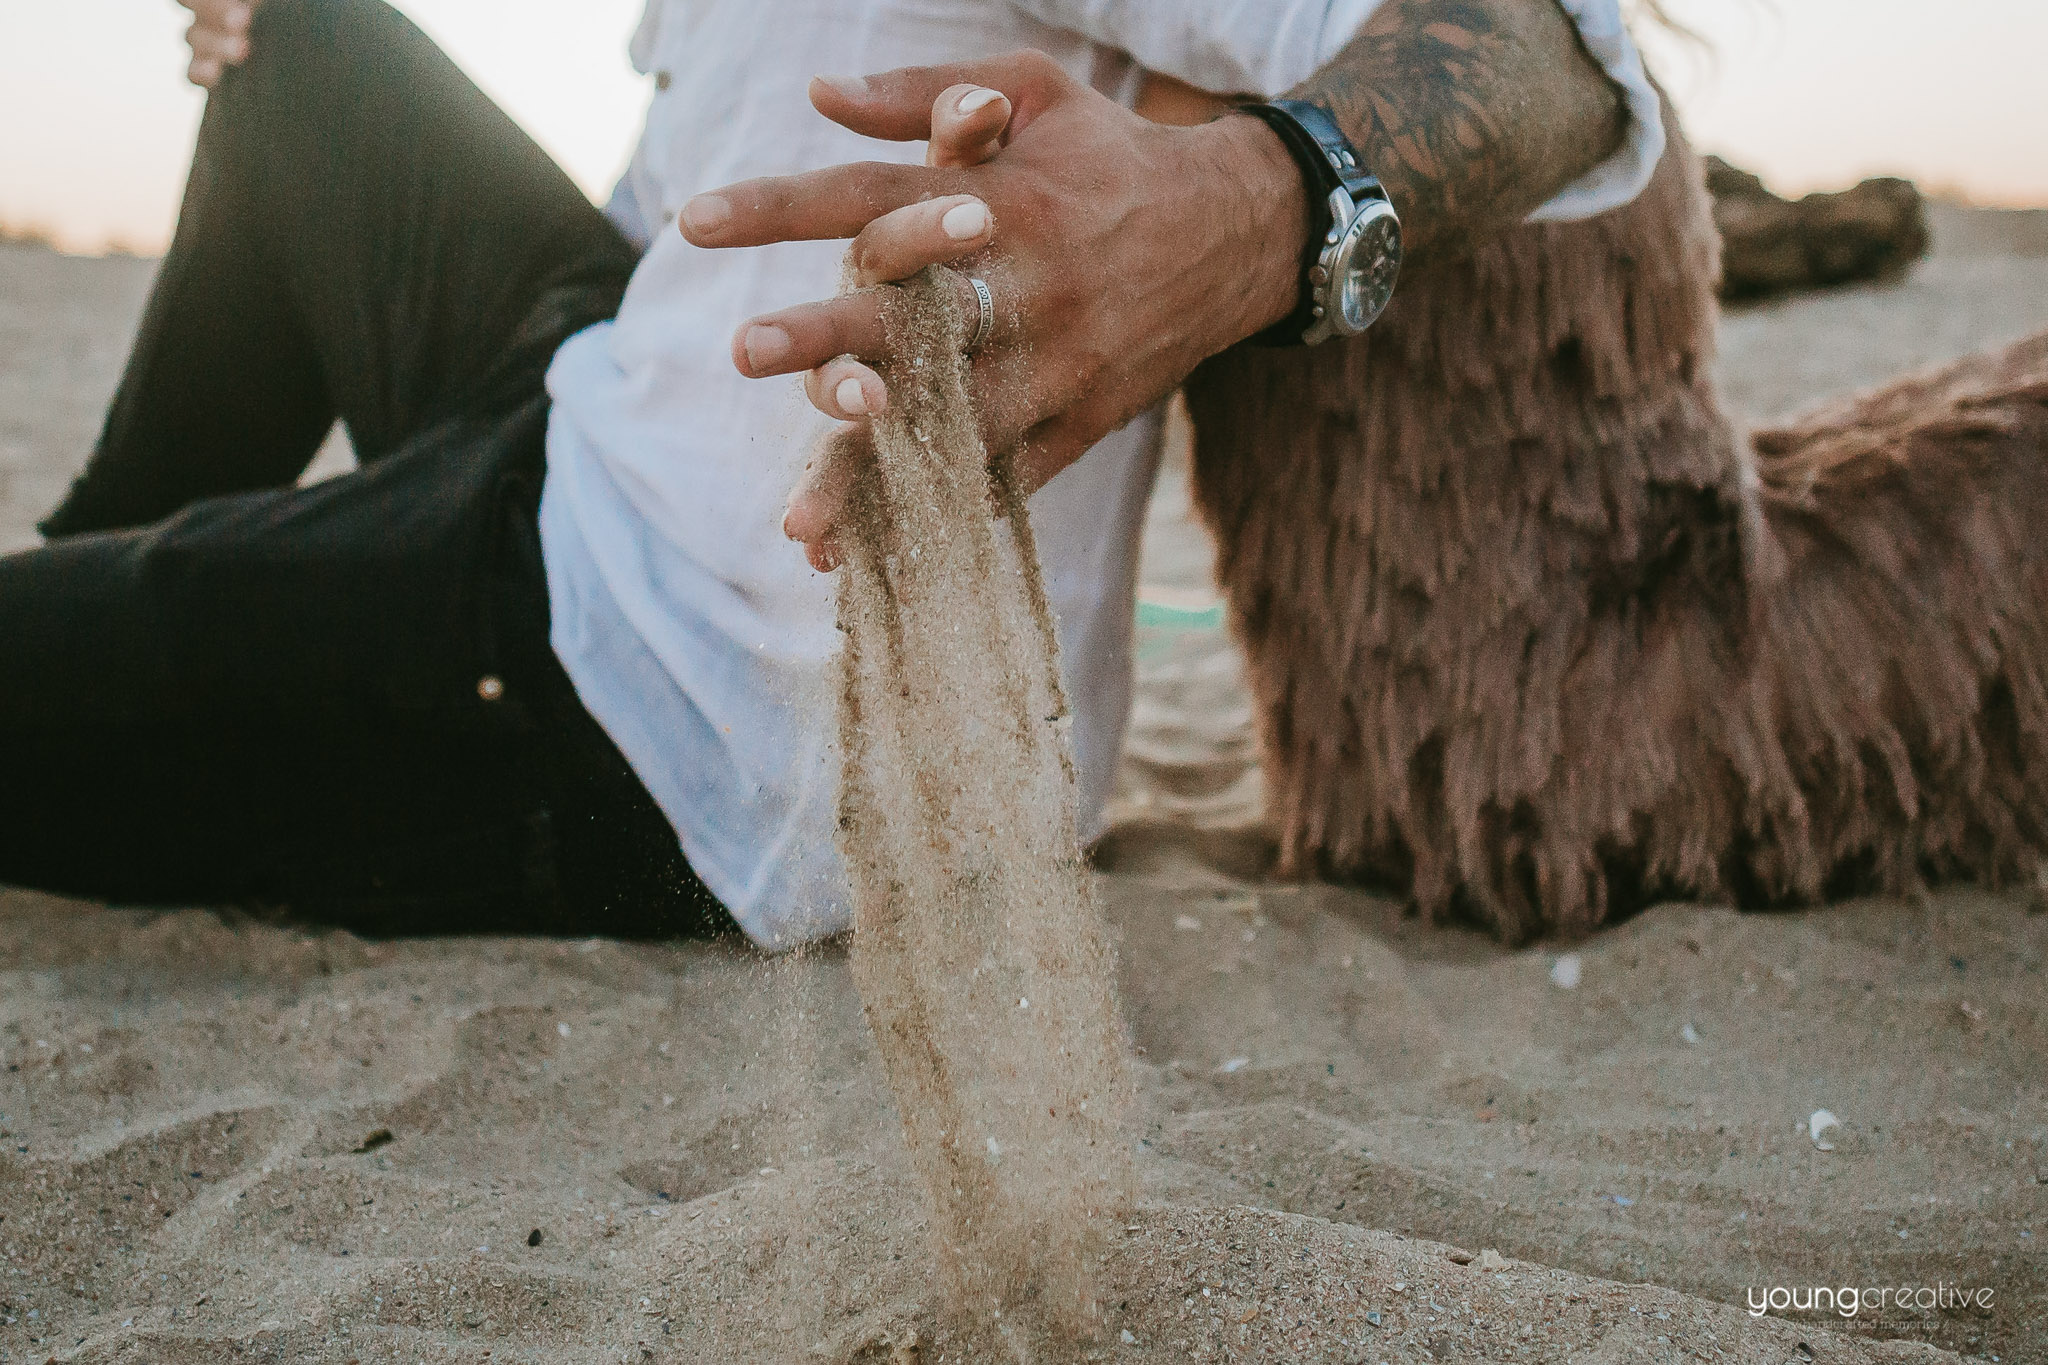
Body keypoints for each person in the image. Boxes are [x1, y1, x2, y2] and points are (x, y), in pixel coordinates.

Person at [0, 0, 1663, 946]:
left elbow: (1559, 57)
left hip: (667, 666)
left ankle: (95, 625)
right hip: (583, 395)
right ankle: (106, 553)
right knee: (302, 42)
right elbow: (676, 226)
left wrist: (1243, 211)